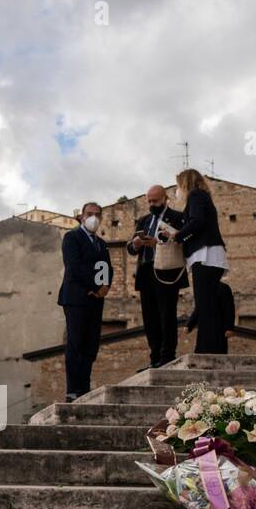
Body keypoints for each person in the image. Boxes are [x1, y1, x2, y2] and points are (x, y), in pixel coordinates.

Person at [162, 169, 229, 354]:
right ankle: (214, 348)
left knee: (205, 305)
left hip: (204, 255)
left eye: (178, 185)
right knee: (208, 304)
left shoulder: (196, 196)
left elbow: (196, 222)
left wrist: (177, 236)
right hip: (210, 256)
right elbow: (189, 221)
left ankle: (205, 349)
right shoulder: (202, 197)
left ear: (185, 183)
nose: (177, 190)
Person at [126, 184, 188, 369]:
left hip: (167, 273)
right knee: (150, 317)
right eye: (149, 201)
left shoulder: (178, 217)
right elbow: (130, 249)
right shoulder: (143, 221)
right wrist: (136, 244)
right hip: (146, 272)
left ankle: (167, 357)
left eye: (156, 200)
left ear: (165, 198)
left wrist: (158, 243)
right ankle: (154, 359)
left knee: (166, 315)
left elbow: (182, 242)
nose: (152, 204)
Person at [57, 200, 111, 401]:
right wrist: (94, 286)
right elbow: (74, 266)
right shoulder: (72, 238)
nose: (93, 218)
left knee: (91, 344)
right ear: (81, 216)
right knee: (76, 343)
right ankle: (73, 390)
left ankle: (84, 387)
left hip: (96, 301)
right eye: (89, 213)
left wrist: (104, 287)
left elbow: (106, 268)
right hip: (76, 298)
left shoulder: (101, 244)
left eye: (97, 214)